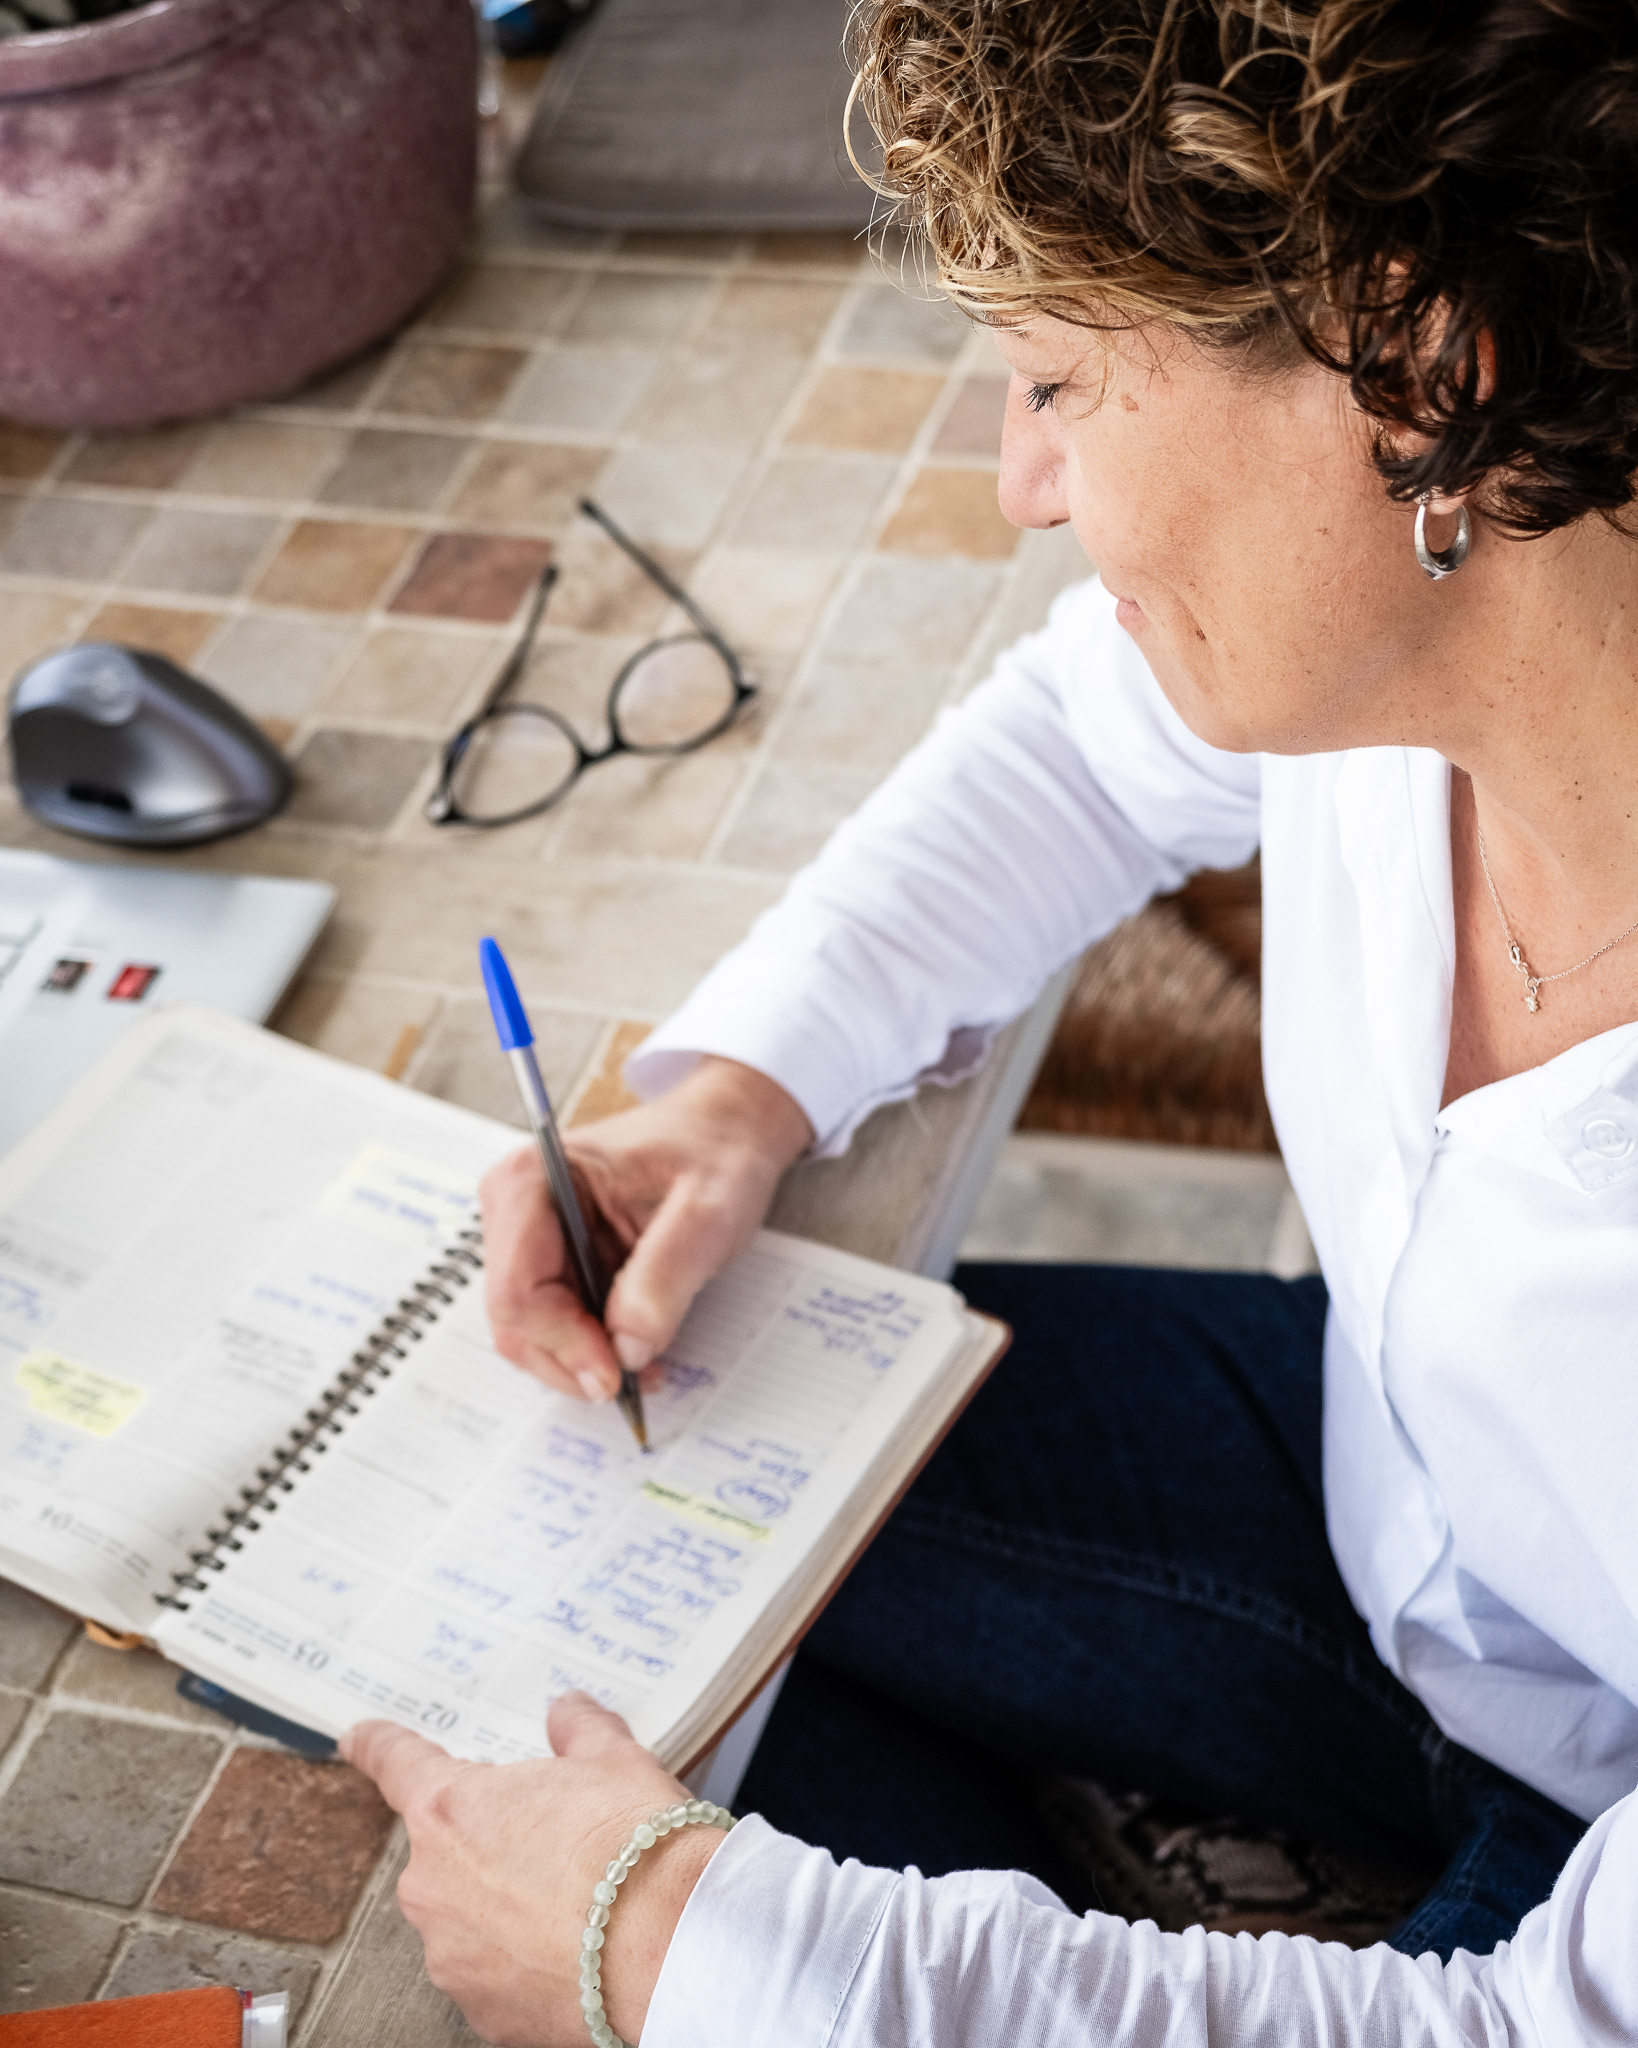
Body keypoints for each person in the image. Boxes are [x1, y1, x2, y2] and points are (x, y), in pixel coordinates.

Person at [340, 1, 1638, 2041]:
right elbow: (1080, 745)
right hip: (1398, 1525)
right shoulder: (1451, 610)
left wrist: (667, 1952)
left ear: (1418, 360)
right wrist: (742, 1091)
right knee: (578, 1569)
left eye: (1053, 377)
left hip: (1588, 1873)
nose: (1019, 480)